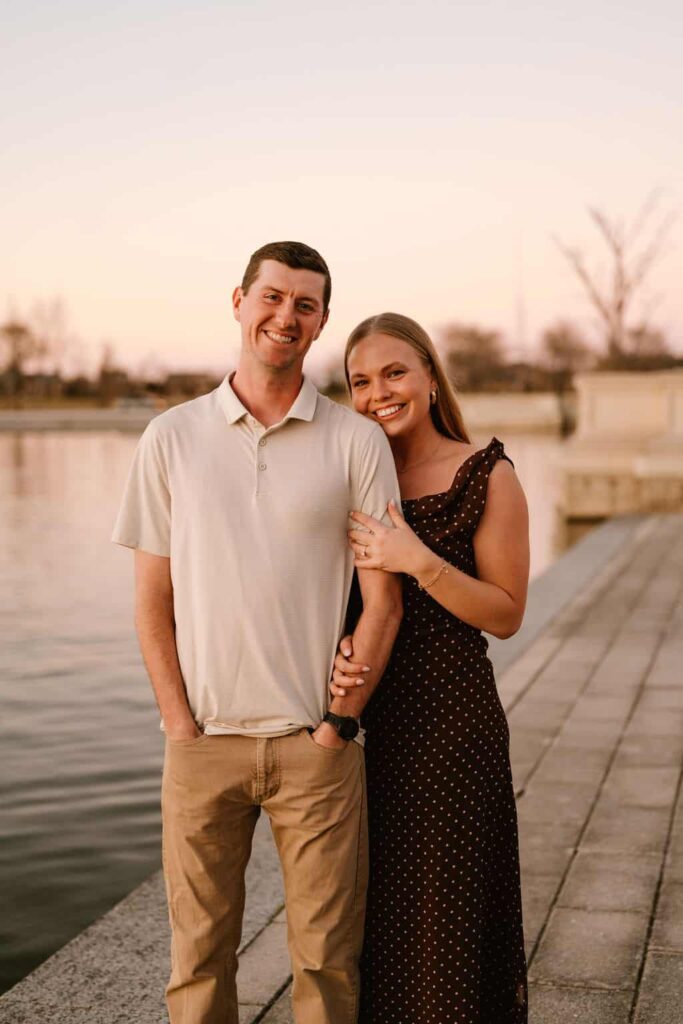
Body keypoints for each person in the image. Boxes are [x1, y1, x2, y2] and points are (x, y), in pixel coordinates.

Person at [111, 243, 403, 1024]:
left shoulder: (355, 441)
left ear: (322, 323)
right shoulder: (171, 438)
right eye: (272, 297)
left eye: (304, 305)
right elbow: (151, 601)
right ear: (238, 300)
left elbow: (382, 603)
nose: (286, 316)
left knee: (325, 963)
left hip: (317, 750)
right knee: (198, 965)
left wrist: (338, 724)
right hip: (203, 745)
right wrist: (179, 724)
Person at [330, 312, 529, 1023]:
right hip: (361, 728)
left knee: (442, 923)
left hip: (450, 730)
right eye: (359, 381)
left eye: (393, 373)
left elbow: (505, 613)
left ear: (428, 379)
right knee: (372, 925)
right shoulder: (352, 469)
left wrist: (418, 561)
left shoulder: (485, 473)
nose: (378, 392)